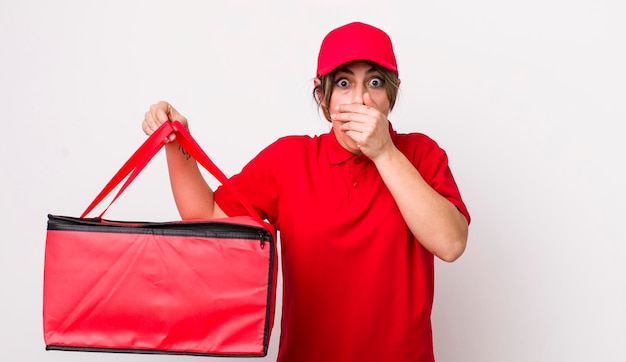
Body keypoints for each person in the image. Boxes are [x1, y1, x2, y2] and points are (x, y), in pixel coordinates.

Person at [142, 21, 470, 362]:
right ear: (322, 95)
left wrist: (384, 153)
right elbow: (205, 216)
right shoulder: (289, 160)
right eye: (344, 83)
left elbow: (451, 244)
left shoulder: (421, 153)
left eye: (374, 82)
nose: (361, 99)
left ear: (392, 91)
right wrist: (177, 142)